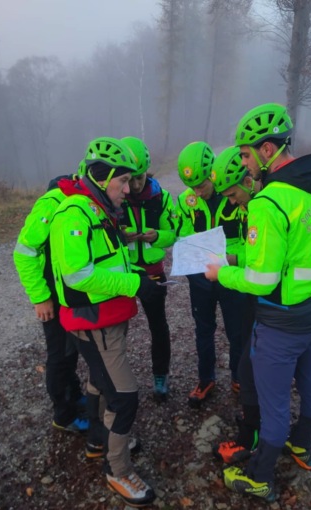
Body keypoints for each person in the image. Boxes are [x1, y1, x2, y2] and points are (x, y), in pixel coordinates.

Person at [205, 103, 311, 502]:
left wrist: (222, 273)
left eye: (244, 154)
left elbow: (262, 279)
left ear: (267, 150)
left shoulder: (269, 202)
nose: (243, 162)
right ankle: (302, 446)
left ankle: (260, 476)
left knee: (273, 404)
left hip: (280, 321)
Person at [50, 136, 162, 507]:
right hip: (93, 321)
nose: (128, 189)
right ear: (102, 178)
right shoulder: (75, 214)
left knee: (100, 382)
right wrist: (134, 285)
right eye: (123, 181)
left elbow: (110, 259)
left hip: (107, 316)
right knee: (124, 397)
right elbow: (77, 275)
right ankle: (118, 469)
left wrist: (139, 275)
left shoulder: (99, 209)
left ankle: (101, 438)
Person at [13, 173, 88, 434]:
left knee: (71, 350)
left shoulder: (76, 199)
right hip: (52, 297)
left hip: (66, 295)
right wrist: (40, 297)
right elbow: (23, 253)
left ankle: (74, 395)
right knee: (60, 354)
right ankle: (63, 416)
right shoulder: (52, 202)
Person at [176, 141, 247, 408]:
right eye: (191, 187)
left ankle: (239, 376)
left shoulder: (234, 195)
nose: (197, 192)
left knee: (237, 330)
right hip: (200, 276)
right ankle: (206, 378)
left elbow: (247, 241)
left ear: (212, 173)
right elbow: (183, 235)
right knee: (203, 329)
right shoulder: (186, 200)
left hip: (230, 274)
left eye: (202, 185)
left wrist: (229, 260)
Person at [207, 146, 263, 464]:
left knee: (251, 368)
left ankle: (252, 440)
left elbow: (261, 269)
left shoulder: (264, 207)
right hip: (283, 302)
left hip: (269, 302)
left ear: (247, 181)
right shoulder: (257, 203)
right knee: (252, 364)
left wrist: (226, 269)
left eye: (231, 194)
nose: (229, 202)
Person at [120, 136, 177, 402]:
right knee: (117, 328)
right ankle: (117, 380)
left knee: (158, 325)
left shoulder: (160, 197)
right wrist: (121, 236)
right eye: (129, 179)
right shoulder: (115, 197)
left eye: (139, 178)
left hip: (153, 270)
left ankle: (160, 375)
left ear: (147, 172)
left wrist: (157, 236)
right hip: (124, 272)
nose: (134, 186)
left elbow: (173, 233)